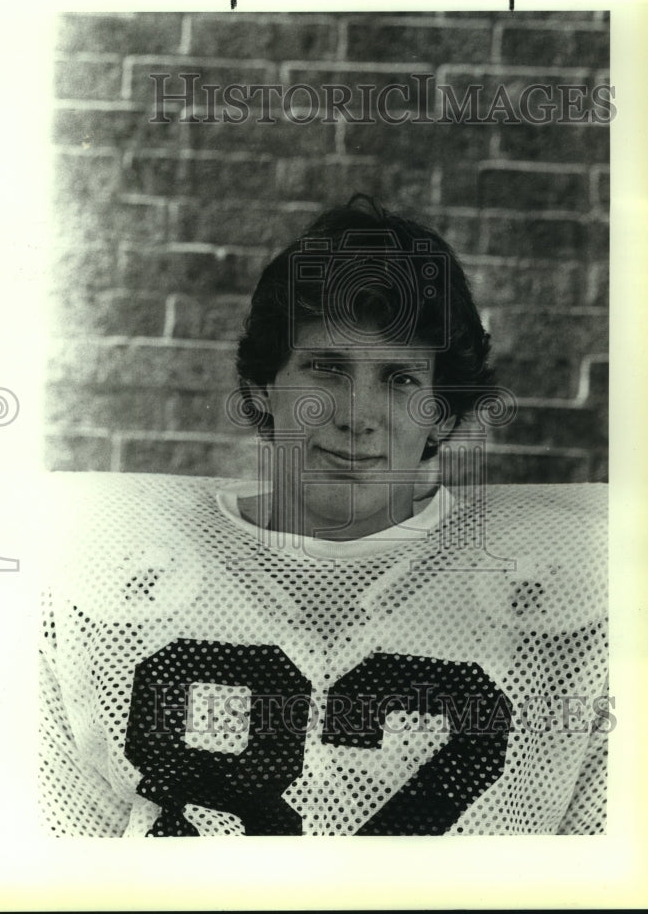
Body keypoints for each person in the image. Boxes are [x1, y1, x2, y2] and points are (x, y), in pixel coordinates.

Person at [39, 195, 608, 836]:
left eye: (399, 379)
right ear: (262, 386)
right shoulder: (97, 568)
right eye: (326, 369)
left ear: (442, 413)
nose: (355, 413)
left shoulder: (574, 590)